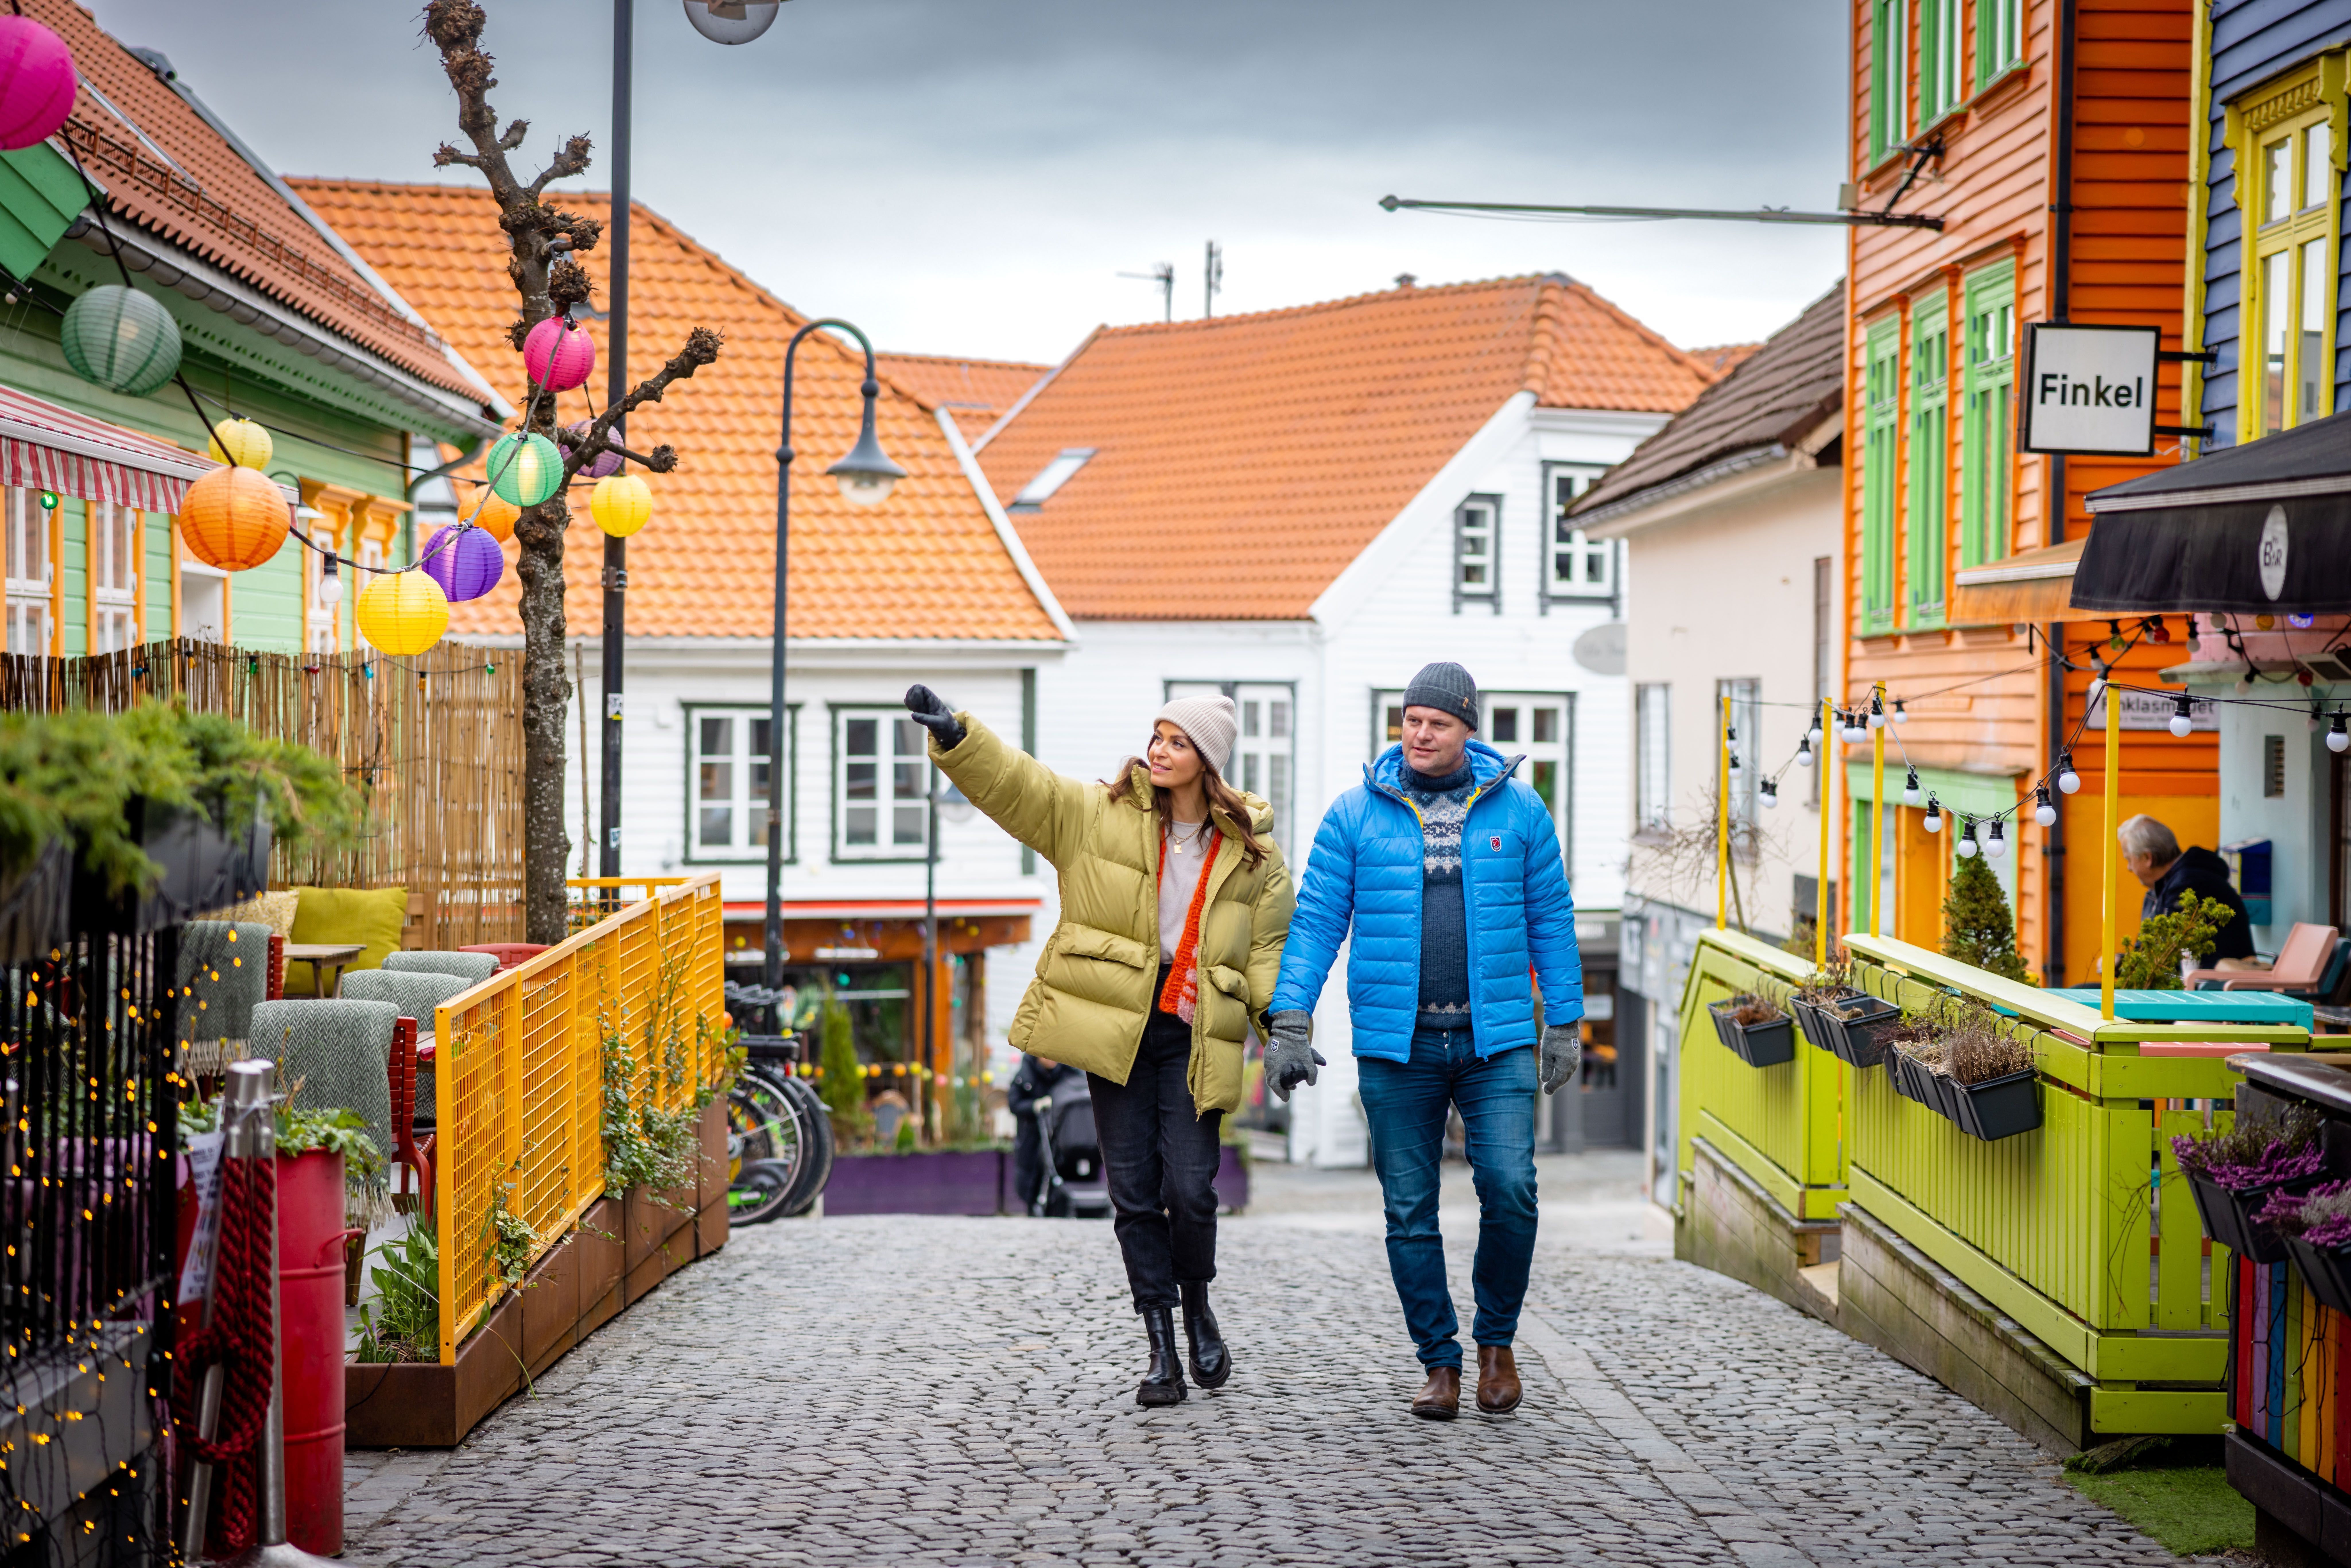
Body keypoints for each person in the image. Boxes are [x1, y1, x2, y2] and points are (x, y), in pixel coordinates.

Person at [904, 684, 1294, 1407]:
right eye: (1157, 735)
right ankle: (1160, 1345)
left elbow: (1269, 951)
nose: (1159, 749)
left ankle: (1198, 1301)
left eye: (1177, 740)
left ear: (1207, 758)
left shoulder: (1251, 854)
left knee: (1191, 1190)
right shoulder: (1097, 815)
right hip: (1118, 1028)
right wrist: (960, 737)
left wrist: (1285, 1030)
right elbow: (1021, 787)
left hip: (1195, 1036)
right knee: (1135, 1193)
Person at [1264, 661, 1580, 1422]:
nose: (1420, 734)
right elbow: (1315, 924)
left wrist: (1564, 1021)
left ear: (1469, 730)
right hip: (1395, 1048)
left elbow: (1552, 918)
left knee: (1510, 1189)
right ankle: (1439, 1362)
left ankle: (1496, 1344)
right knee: (1410, 1210)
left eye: (1437, 723)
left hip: (1495, 1040)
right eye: (1410, 720)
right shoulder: (1354, 816)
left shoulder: (1523, 812)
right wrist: (1290, 1020)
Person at [2118, 814, 2259, 968]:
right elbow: (2146, 949)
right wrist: (2123, 962)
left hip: (2210, 987)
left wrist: (2122, 963)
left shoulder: (2188, 884)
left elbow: (2166, 954)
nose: (2129, 868)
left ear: (2148, 858)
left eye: (2129, 860)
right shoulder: (2159, 889)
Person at [1008, 1051, 1083, 1213]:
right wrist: (1035, 1106)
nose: (1051, 1059)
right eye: (1046, 1055)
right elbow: (1014, 1104)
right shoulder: (1026, 1074)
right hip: (1033, 1137)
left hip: (1064, 1139)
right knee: (1031, 1178)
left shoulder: (1070, 1073)